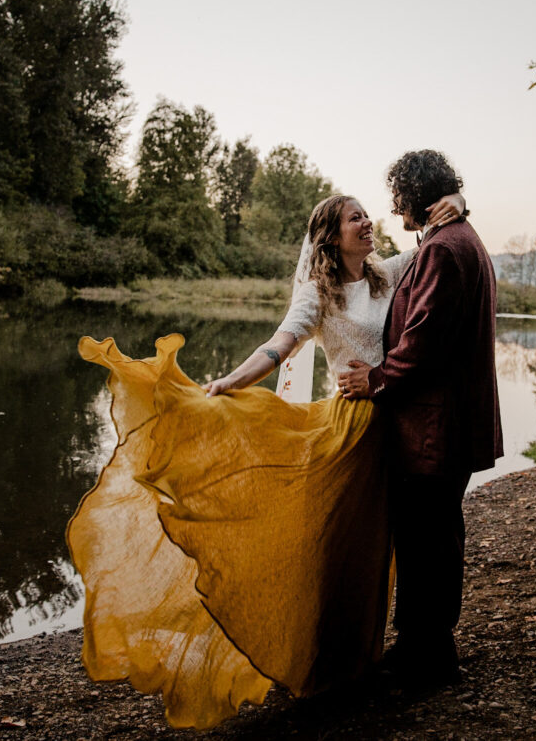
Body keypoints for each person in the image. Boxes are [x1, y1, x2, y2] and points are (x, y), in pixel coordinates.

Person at [66, 190, 465, 729]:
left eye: (367, 215)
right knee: (335, 547)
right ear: (330, 236)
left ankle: (370, 655)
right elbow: (280, 346)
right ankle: (319, 658)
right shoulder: (316, 294)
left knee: (375, 549)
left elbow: (435, 245)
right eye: (355, 219)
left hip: (391, 429)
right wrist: (232, 380)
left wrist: (458, 200)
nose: (368, 223)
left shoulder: (387, 274)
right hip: (349, 430)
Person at [338, 149, 503, 687]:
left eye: (397, 200)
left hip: (435, 426)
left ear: (415, 197)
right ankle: (426, 651)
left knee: (426, 541)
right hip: (452, 420)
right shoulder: (459, 239)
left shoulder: (444, 249)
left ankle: (427, 659)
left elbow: (424, 340)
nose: (392, 211)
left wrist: (376, 380)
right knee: (433, 536)